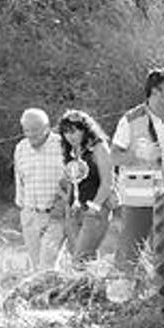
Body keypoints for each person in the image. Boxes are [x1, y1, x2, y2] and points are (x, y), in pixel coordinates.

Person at [111, 68, 164, 272]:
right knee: (129, 255)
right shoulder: (130, 119)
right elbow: (113, 156)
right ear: (155, 92)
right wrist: (138, 156)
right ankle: (121, 296)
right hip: (139, 200)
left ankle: (159, 298)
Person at [58, 109, 114, 266]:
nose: (70, 136)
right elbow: (72, 182)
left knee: (80, 259)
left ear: (85, 130)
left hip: (95, 211)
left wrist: (94, 207)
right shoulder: (71, 151)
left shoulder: (99, 148)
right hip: (74, 212)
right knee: (84, 263)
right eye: (66, 133)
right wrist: (68, 209)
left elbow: (108, 182)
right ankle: (92, 290)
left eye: (74, 131)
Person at [13, 108, 66, 270]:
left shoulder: (62, 145)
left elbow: (74, 177)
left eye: (35, 130)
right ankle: (47, 295)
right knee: (36, 268)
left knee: (47, 266)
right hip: (30, 215)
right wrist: (23, 209)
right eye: (26, 130)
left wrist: (65, 202)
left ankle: (51, 294)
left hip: (55, 215)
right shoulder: (21, 148)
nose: (30, 134)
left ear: (47, 127)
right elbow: (19, 180)